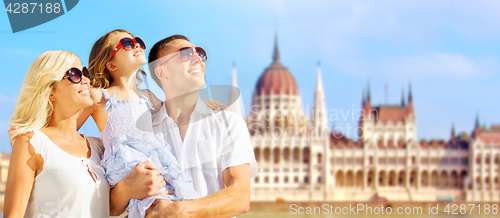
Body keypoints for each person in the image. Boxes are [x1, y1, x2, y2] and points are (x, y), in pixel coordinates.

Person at [76, 29, 201, 218]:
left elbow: (181, 106)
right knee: (154, 202)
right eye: (127, 43)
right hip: (125, 162)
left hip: (155, 157)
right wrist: (33, 129)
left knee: (176, 195)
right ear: (110, 64)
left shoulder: (147, 96)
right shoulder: (99, 96)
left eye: (138, 42)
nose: (136, 45)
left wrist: (212, 104)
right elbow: (66, 123)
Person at [136, 35, 258, 217]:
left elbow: (239, 196)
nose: (198, 58)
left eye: (200, 53)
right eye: (185, 54)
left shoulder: (228, 122)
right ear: (161, 72)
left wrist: (178, 211)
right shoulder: (143, 131)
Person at [4, 50, 110, 217]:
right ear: (50, 92)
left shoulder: (98, 147)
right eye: (74, 74)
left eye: (85, 72)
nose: (86, 79)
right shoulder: (31, 143)